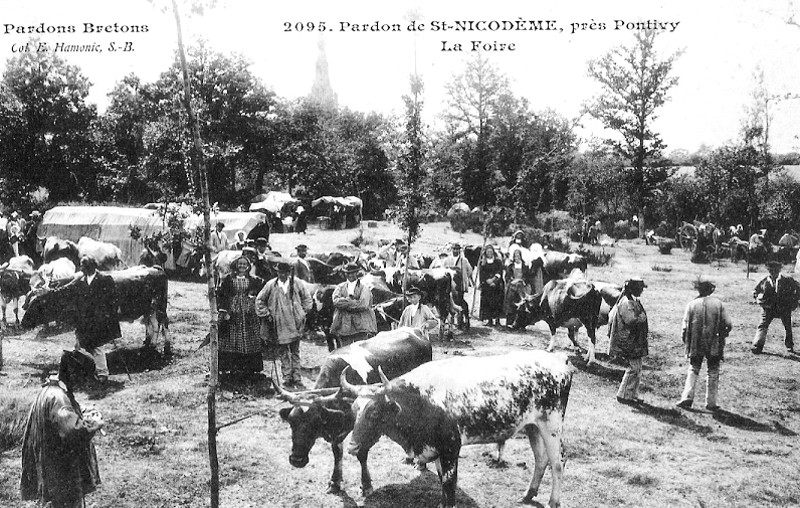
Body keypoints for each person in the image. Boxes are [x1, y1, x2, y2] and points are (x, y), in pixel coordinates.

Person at [21, 350, 104, 508]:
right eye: (83, 377)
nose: (84, 384)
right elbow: (72, 432)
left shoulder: (51, 391)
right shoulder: (59, 398)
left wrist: (81, 411)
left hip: (52, 468)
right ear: (72, 374)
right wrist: (94, 422)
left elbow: (62, 416)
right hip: (62, 472)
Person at [58, 256, 121, 382]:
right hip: (84, 321)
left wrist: (108, 316)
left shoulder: (105, 280)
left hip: (99, 321)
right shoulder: (81, 281)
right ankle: (85, 371)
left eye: (82, 265)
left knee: (97, 346)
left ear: (90, 267)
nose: (80, 268)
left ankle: (102, 373)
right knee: (81, 345)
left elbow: (114, 299)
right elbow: (68, 290)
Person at [676, 278, 732, 411]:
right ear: (710, 290)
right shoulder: (718, 304)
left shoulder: (691, 304)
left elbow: (684, 327)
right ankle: (711, 402)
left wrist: (686, 340)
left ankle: (687, 397)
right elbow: (728, 324)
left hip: (696, 342)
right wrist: (723, 335)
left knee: (693, 368)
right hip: (714, 341)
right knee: (713, 371)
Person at [256, 260, 313, 388]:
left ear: (289, 272)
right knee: (283, 352)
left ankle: (297, 377)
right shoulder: (271, 285)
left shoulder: (297, 283)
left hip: (295, 324)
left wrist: (301, 313)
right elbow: (260, 300)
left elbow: (307, 299)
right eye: (280, 272)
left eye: (285, 272)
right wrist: (266, 314)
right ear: (277, 272)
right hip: (279, 323)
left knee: (295, 351)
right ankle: (287, 377)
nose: (282, 275)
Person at [216, 255, 266, 378]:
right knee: (232, 339)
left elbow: (263, 291)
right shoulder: (228, 279)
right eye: (240, 264)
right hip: (233, 313)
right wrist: (224, 311)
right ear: (235, 265)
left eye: (245, 264)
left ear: (248, 266)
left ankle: (249, 369)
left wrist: (254, 297)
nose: (242, 266)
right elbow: (221, 295)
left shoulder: (254, 280)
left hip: (249, 313)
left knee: (250, 338)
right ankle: (232, 368)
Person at [608, 278, 649, 405]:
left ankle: (631, 394)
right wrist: (641, 318)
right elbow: (630, 320)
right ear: (633, 288)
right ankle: (623, 394)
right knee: (634, 368)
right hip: (629, 340)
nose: (642, 291)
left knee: (637, 368)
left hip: (634, 340)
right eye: (640, 288)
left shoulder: (632, 300)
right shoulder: (626, 302)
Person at [751, 260, 799, 355]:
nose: (773, 272)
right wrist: (759, 299)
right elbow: (755, 291)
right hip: (768, 308)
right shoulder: (765, 281)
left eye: (775, 270)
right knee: (763, 325)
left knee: (787, 326)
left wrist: (794, 302)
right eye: (771, 270)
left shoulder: (788, 280)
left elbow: (798, 289)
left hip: (784, 308)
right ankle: (757, 345)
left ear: (779, 270)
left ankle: (789, 345)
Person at [330, 262, 377, 347]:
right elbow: (336, 302)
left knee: (361, 350)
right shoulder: (340, 287)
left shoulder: (364, 288)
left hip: (360, 325)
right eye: (348, 273)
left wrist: (345, 303)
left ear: (356, 273)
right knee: (345, 351)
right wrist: (353, 301)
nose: (350, 275)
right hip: (344, 325)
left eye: (352, 273)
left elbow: (363, 304)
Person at [442, 242, 473, 330]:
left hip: (459, 285)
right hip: (448, 285)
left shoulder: (464, 260)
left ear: (460, 250)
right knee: (449, 302)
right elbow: (442, 270)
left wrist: (464, 277)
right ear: (451, 250)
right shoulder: (447, 260)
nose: (455, 250)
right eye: (454, 249)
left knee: (459, 301)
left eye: (457, 249)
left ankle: (460, 321)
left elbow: (469, 271)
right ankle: (450, 321)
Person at [504, 248, 533, 327]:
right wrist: (512, 281)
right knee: (511, 305)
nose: (517, 258)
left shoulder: (525, 266)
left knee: (522, 305)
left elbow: (528, 277)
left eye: (518, 256)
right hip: (512, 287)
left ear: (520, 256)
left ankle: (521, 325)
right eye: (515, 256)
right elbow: (507, 276)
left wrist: (522, 281)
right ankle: (510, 323)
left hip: (522, 287)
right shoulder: (510, 266)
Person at [478, 244, 504, 326]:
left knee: (497, 302)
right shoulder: (483, 263)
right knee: (488, 303)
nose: (489, 253)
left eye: (491, 251)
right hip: (487, 285)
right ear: (485, 253)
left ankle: (497, 320)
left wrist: (494, 281)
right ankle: (489, 320)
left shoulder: (498, 261)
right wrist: (487, 281)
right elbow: (481, 274)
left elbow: (500, 272)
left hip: (496, 284)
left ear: (493, 252)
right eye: (488, 252)